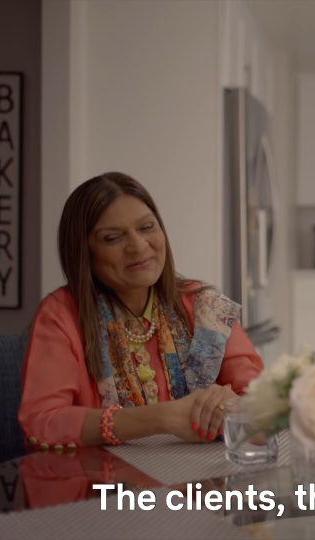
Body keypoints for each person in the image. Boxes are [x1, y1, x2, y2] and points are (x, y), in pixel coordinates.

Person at [18, 172, 264, 452]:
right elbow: (42, 424)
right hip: (103, 487)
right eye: (112, 238)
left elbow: (265, 407)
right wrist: (163, 418)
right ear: (84, 252)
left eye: (146, 227)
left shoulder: (204, 307)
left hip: (202, 487)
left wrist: (231, 404)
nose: (137, 246)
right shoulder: (61, 316)